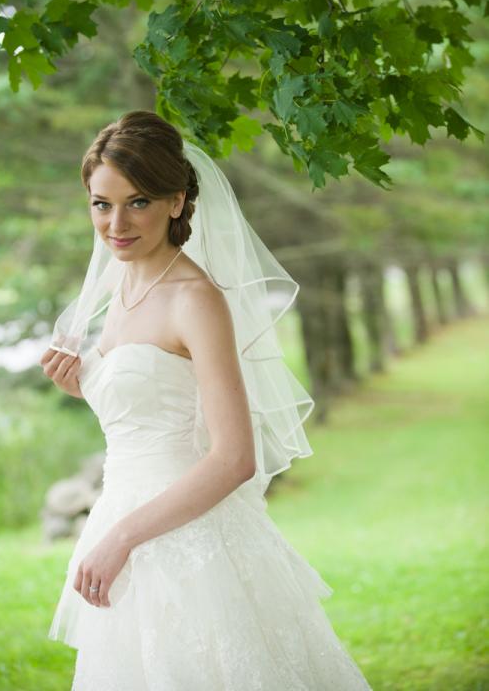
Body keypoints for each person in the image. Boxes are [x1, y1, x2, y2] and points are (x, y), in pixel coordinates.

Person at [42, 110, 372, 690]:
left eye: (137, 202)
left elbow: (233, 457)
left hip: (184, 539)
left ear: (176, 201)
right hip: (122, 522)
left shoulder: (195, 297)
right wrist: (85, 385)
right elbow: (153, 407)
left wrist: (122, 538)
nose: (116, 223)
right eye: (102, 203)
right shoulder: (123, 285)